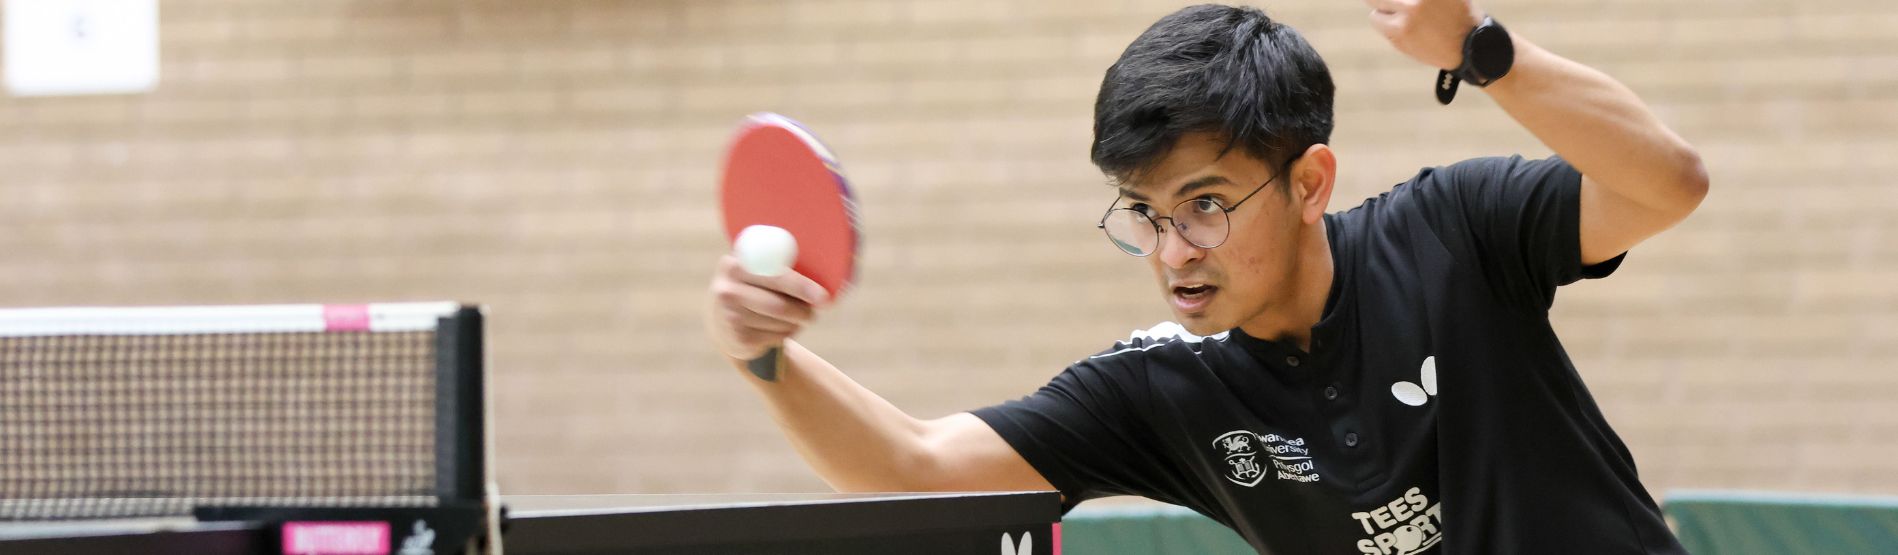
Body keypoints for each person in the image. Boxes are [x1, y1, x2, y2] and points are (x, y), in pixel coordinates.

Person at [704, 1, 1707, 553]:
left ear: (1309, 182)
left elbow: (1665, 184)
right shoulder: (1167, 387)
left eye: (1205, 203)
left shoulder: (1452, 232)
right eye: (1144, 212)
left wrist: (1482, 50)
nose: (1173, 250)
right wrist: (764, 358)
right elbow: (913, 469)